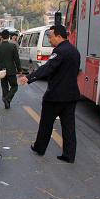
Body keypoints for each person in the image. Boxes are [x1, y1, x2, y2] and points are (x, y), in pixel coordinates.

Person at [19, 25, 80, 163]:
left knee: (46, 124)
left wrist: (29, 77)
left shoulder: (59, 52)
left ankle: (39, 148)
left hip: (55, 96)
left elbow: (48, 68)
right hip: (71, 95)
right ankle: (69, 155)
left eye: (50, 36)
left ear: (59, 36)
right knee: (69, 126)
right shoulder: (74, 51)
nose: (49, 39)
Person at [0, 29, 21, 109]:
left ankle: (6, 102)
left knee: (4, 87)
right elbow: (16, 59)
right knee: (14, 86)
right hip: (11, 70)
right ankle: (7, 99)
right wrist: (19, 69)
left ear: (1, 37)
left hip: (2, 70)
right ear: (9, 36)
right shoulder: (12, 46)